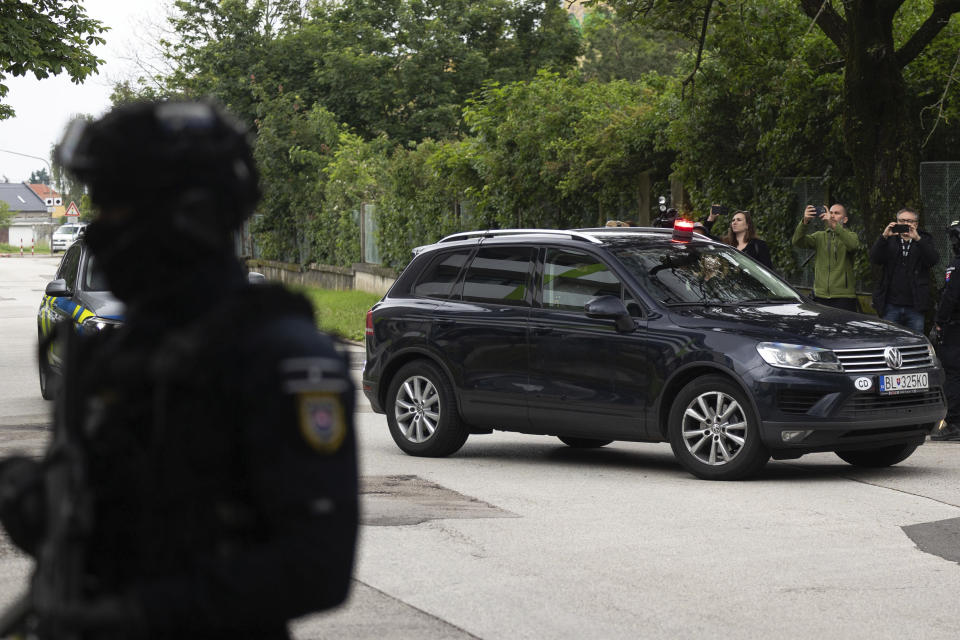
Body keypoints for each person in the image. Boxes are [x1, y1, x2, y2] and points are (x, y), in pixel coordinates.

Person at [0, 100, 359, 637]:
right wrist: (32, 497)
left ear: (187, 216)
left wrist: (140, 616)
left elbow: (316, 567)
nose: (97, 232)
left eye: (116, 208)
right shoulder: (121, 352)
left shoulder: (277, 356)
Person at [869, 207, 939, 333]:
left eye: (910, 221)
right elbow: (875, 258)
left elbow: (933, 260)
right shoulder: (889, 238)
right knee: (889, 342)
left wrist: (918, 238)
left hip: (915, 306)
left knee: (915, 342)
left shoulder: (924, 239)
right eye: (902, 221)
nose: (906, 224)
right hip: (890, 305)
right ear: (896, 222)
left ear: (916, 224)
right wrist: (884, 236)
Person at [791, 203, 860, 311]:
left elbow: (853, 246)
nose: (832, 215)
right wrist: (805, 221)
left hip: (843, 297)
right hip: (820, 296)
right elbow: (797, 241)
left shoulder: (851, 236)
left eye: (836, 213)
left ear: (845, 219)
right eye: (830, 213)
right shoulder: (819, 236)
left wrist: (833, 225)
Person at [931, 220, 960, 441]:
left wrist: (940, 319)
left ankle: (954, 423)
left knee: (952, 373)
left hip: (954, 325)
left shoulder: (957, 265)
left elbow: (951, 296)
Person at [705, 209, 773, 269]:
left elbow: (768, 272)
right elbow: (704, 237)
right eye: (733, 220)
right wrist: (711, 218)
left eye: (739, 220)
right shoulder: (725, 243)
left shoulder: (759, 245)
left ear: (747, 225)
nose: (734, 222)